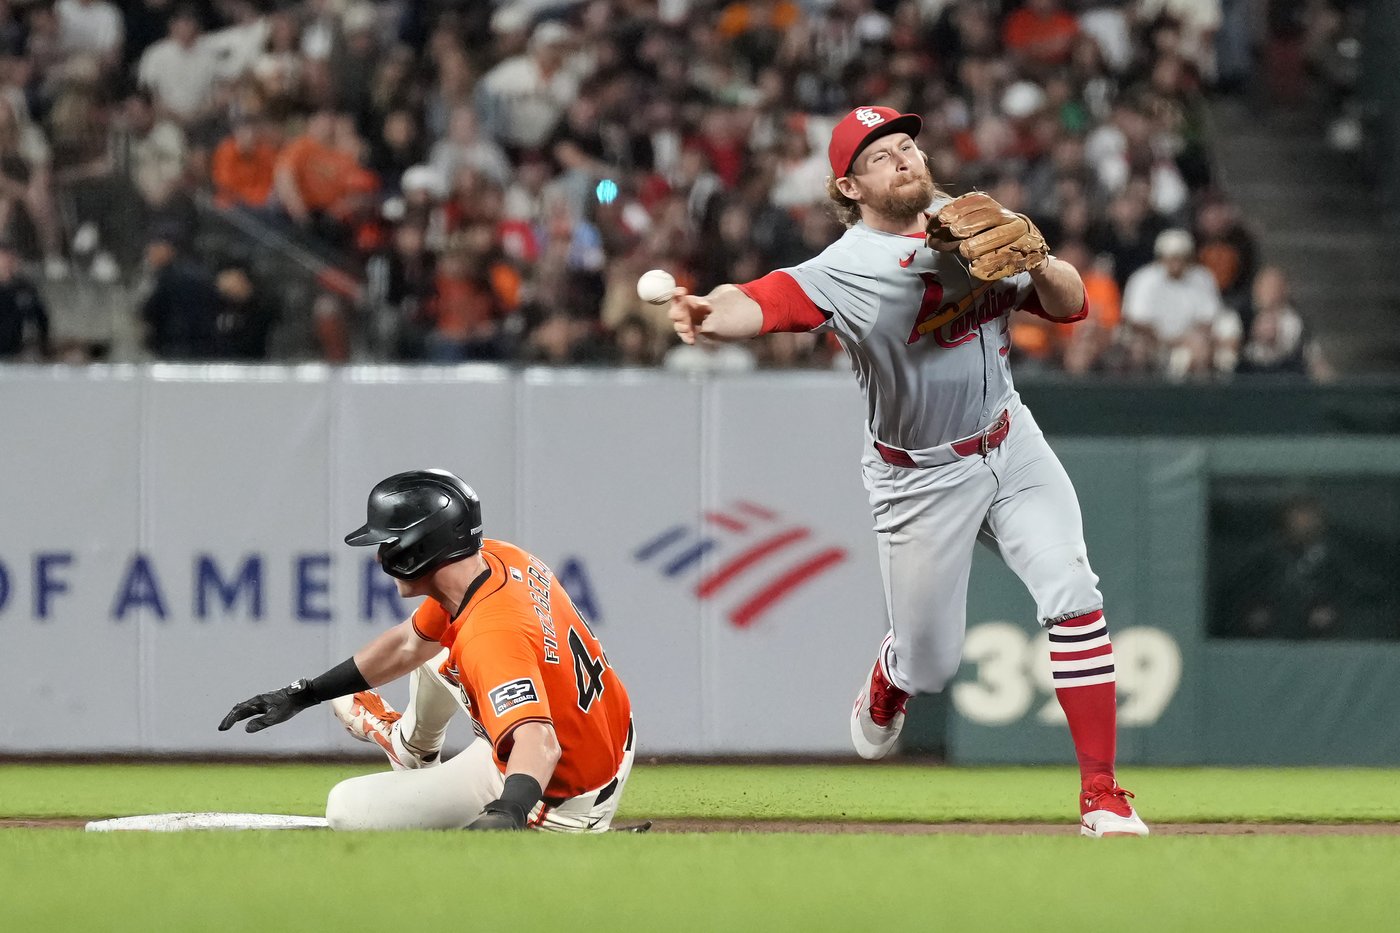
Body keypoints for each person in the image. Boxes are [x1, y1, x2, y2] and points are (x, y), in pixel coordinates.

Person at [665, 105, 1147, 838]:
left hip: (1010, 440)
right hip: (917, 478)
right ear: (849, 187)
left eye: (907, 146)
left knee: (1074, 592)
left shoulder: (972, 219)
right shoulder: (846, 267)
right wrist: (708, 309)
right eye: (881, 156)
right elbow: (763, 300)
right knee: (933, 664)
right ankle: (894, 672)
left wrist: (1041, 261)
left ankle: (1103, 793)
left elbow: (1072, 306)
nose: (904, 159)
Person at [219, 469, 634, 832]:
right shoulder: (496, 559)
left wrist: (508, 810)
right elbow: (408, 644)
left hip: (558, 789)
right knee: (439, 654)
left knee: (345, 808)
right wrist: (306, 692)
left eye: (388, 541)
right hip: (607, 735)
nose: (381, 554)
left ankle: (571, 826)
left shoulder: (490, 635)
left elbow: (539, 741)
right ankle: (410, 746)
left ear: (421, 544)